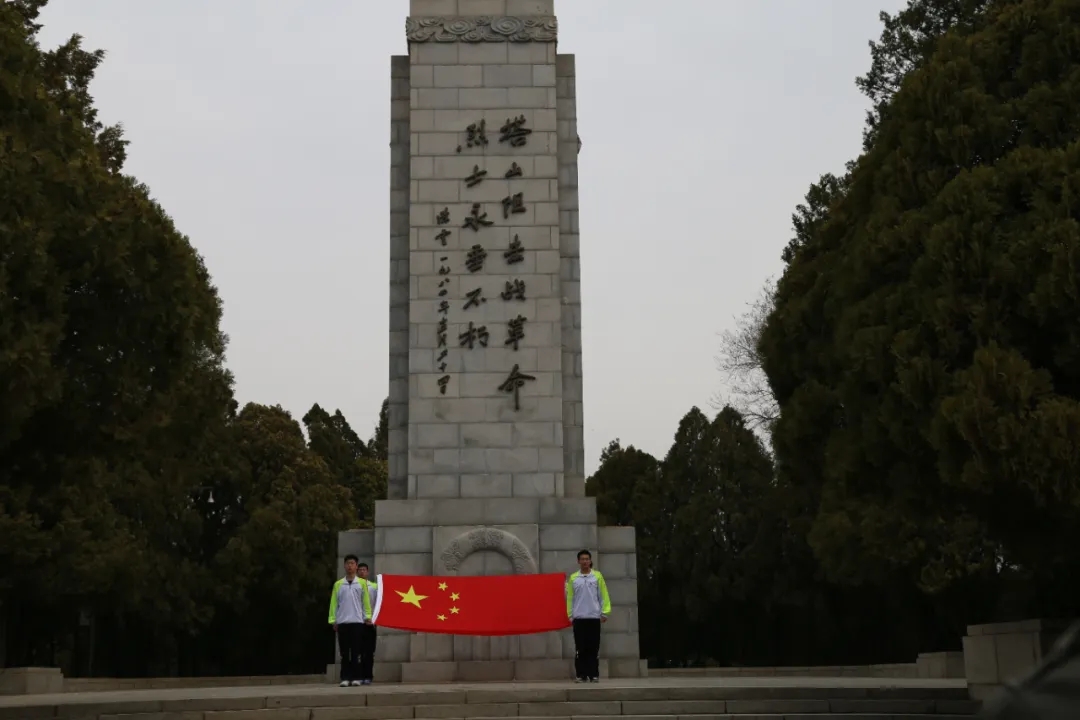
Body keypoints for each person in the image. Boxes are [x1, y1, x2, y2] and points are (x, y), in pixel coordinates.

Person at [565, 549, 611, 683]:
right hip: (579, 617)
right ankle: (581, 674)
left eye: (587, 559)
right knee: (580, 648)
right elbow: (570, 598)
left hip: (594, 617)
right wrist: (570, 615)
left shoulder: (597, 576)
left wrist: (604, 612)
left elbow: (603, 595)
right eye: (582, 559)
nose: (585, 561)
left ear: (590, 561)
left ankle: (594, 674)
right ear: (578, 561)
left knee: (593, 647)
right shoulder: (574, 578)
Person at [328, 554, 375, 686]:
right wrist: (333, 620)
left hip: (357, 621)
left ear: (356, 566)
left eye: (352, 563)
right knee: (344, 653)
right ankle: (345, 677)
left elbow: (365, 602)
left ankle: (356, 677)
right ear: (344, 565)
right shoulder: (338, 584)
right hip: (343, 622)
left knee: (356, 652)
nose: (350, 566)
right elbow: (334, 603)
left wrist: (367, 617)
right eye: (348, 563)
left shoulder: (361, 584)